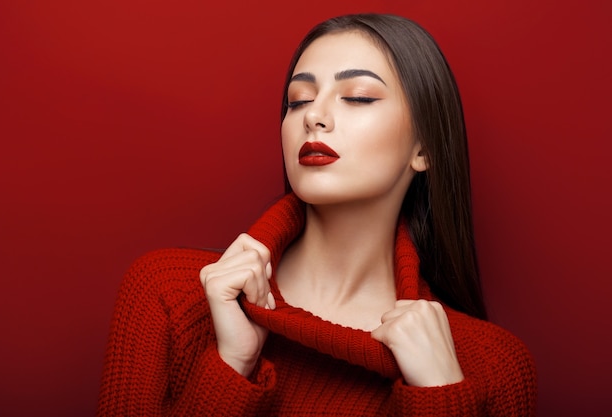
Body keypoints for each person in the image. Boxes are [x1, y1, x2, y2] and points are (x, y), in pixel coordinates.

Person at [97, 13, 537, 416]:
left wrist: (441, 395)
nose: (315, 117)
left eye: (358, 97)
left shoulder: (493, 365)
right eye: (298, 100)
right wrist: (231, 365)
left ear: (424, 149)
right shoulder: (169, 295)